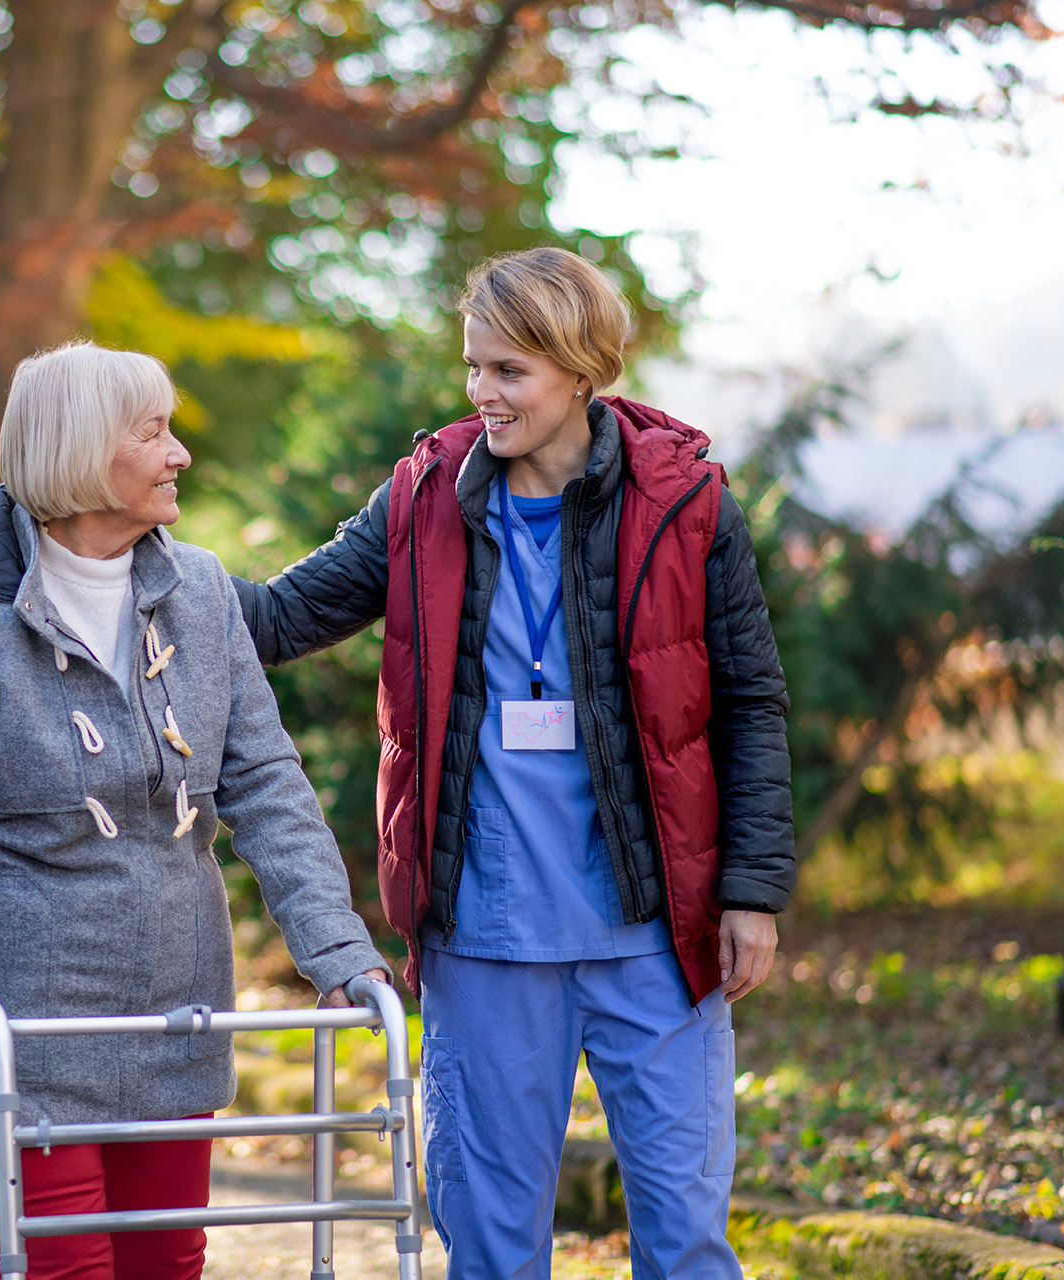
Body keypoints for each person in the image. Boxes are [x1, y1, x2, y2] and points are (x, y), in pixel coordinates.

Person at [231, 247, 796, 1279]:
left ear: (581, 370)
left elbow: (750, 701)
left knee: (686, 1240)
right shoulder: (420, 500)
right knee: (491, 1249)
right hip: (485, 940)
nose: (481, 393)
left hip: (654, 939)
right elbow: (280, 614)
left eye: (510, 371)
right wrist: (109, 544)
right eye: (473, 367)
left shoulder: (688, 505)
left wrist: (752, 889)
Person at [0, 341, 389, 1280]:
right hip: (29, 1024)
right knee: (68, 1272)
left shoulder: (203, 593)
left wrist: (336, 952)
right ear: (83, 449)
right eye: (154, 433)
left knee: (168, 1267)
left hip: (176, 1010)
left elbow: (266, 785)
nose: (179, 453)